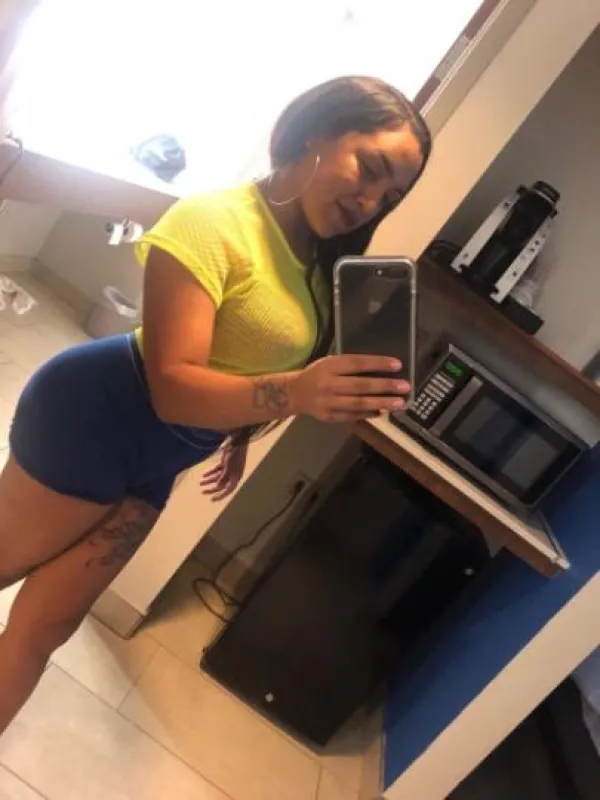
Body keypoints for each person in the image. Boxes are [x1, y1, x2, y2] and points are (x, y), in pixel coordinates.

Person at [0, 75, 431, 731]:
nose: (371, 201)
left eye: (390, 196)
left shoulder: (319, 264)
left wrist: (238, 431)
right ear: (313, 132)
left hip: (156, 459)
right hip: (93, 419)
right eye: (368, 169)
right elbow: (175, 384)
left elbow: (249, 358)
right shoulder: (212, 221)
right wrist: (298, 391)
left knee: (43, 630)